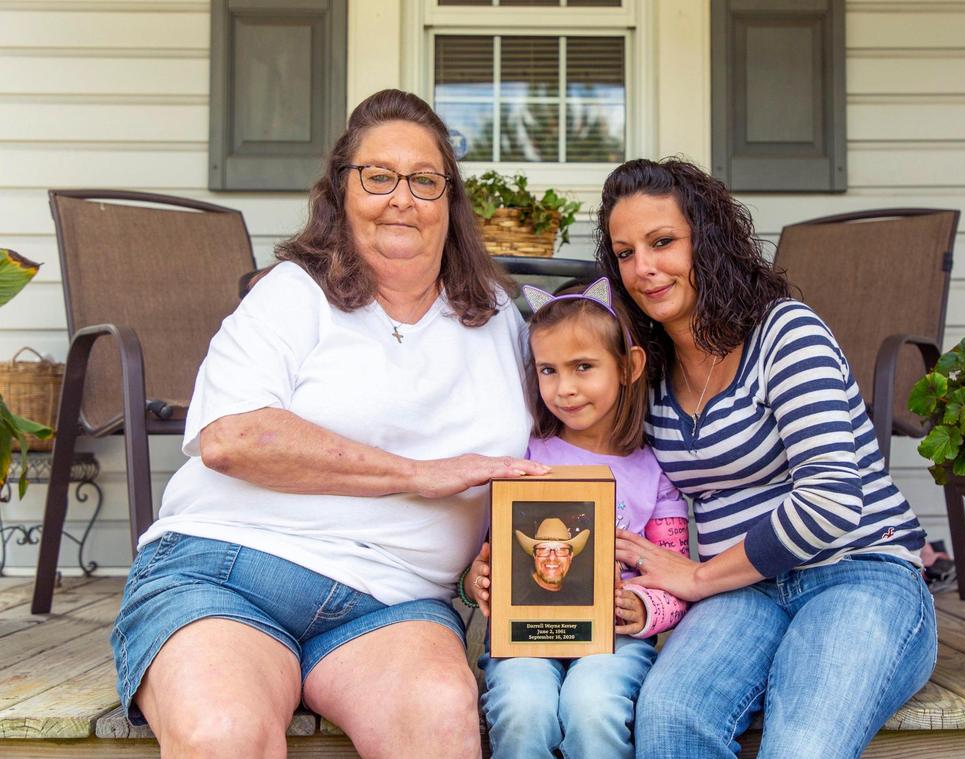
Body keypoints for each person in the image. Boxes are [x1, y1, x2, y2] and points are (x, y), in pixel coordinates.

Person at [109, 89, 550, 759]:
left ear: (450, 200)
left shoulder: (496, 315)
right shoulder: (294, 293)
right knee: (222, 734)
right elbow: (232, 438)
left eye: (425, 180)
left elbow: (548, 443)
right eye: (378, 176)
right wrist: (418, 475)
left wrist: (501, 551)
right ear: (342, 190)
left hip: (397, 602)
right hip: (226, 573)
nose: (401, 196)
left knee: (439, 725)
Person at [596, 158, 937, 759]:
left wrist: (697, 577)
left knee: (801, 745)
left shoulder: (786, 334)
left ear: (710, 242)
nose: (643, 268)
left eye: (663, 242)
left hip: (858, 571)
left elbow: (830, 502)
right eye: (625, 253)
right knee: (670, 719)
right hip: (742, 594)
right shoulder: (644, 371)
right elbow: (591, 464)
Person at [461, 277, 692, 759]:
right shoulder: (520, 458)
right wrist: (476, 581)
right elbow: (485, 555)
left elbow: (674, 573)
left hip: (613, 640)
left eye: (583, 367)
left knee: (594, 709)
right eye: (548, 370)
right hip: (524, 634)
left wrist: (645, 606)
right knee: (523, 707)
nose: (564, 388)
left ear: (628, 367)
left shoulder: (655, 473)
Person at [514, 517, 591, 598]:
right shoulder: (517, 596)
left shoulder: (580, 596)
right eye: (543, 549)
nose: (552, 557)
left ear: (570, 556)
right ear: (534, 555)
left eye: (561, 549)